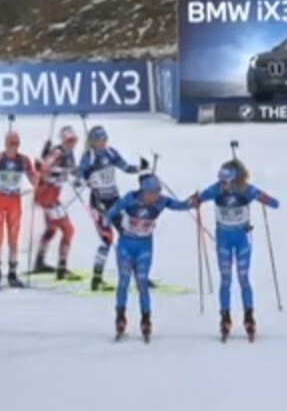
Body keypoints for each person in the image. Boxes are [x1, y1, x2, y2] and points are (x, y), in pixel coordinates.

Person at [187, 157, 281, 342]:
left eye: (227, 182)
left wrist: (263, 198)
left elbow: (275, 203)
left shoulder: (246, 190)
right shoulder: (216, 189)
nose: (224, 185)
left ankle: (249, 317)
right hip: (224, 239)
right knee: (226, 279)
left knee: (243, 278)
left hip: (242, 240)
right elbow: (196, 200)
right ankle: (225, 317)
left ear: (235, 179)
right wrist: (195, 200)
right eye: (221, 181)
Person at [103, 173, 191, 341]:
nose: (155, 196)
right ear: (143, 191)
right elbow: (112, 212)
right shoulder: (130, 198)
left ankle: (146, 319)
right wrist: (106, 224)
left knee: (142, 282)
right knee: (124, 281)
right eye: (152, 193)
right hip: (126, 245)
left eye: (157, 191)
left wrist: (192, 202)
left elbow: (179, 205)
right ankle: (120, 317)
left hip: (144, 247)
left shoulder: (161, 201)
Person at [75, 125, 140, 291]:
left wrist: (140, 168)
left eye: (104, 139)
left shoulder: (111, 152)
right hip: (99, 203)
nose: (103, 143)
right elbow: (80, 174)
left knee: (128, 235)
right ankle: (96, 279)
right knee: (106, 239)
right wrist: (81, 180)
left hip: (114, 201)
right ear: (93, 141)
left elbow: (125, 167)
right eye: (99, 140)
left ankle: (139, 275)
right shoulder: (89, 156)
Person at [0, 129, 37, 288]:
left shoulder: (24, 160)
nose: (14, 147)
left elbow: (35, 182)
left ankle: (12, 273)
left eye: (16, 144)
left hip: (14, 201)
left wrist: (38, 174)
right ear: (5, 144)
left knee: (14, 238)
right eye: (11, 144)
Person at [31, 125, 82, 281]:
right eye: (68, 141)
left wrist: (79, 176)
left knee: (51, 228)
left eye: (73, 140)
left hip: (52, 196)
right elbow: (43, 169)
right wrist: (49, 166)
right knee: (69, 230)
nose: (71, 143)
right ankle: (62, 268)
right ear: (63, 140)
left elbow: (72, 171)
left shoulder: (69, 153)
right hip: (47, 196)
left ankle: (39, 262)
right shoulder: (58, 152)